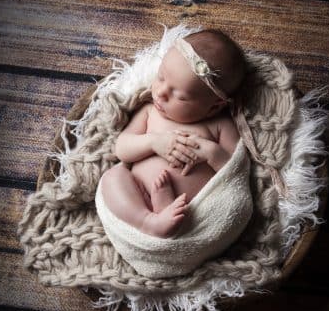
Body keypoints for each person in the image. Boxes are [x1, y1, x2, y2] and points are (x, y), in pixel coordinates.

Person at [99, 29, 247, 238]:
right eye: (160, 78)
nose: (160, 93)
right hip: (136, 200)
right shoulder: (149, 112)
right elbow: (122, 149)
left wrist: (212, 153)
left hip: (193, 214)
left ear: (213, 107)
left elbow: (236, 173)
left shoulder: (220, 126)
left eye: (180, 96)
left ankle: (170, 218)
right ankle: (147, 221)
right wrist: (153, 143)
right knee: (112, 177)